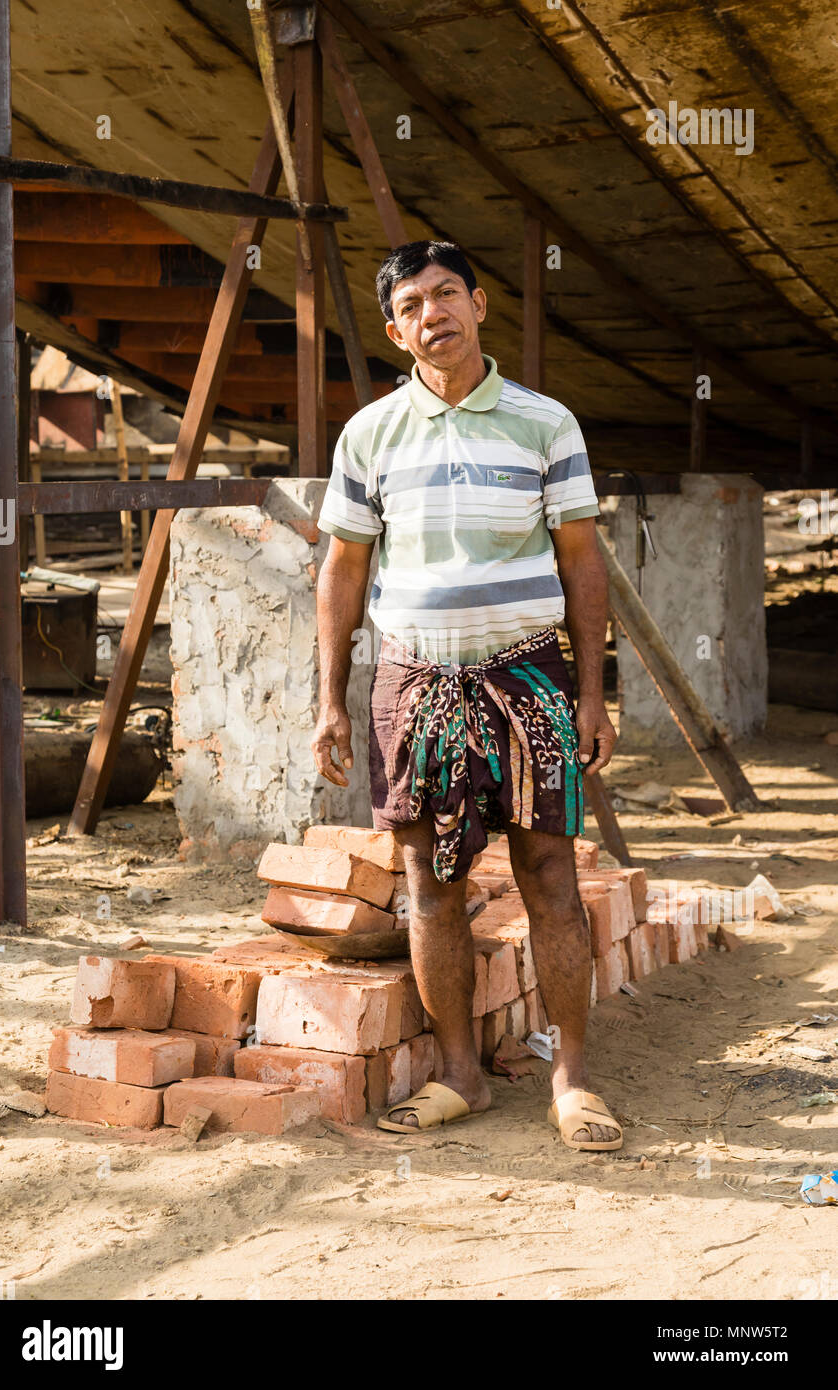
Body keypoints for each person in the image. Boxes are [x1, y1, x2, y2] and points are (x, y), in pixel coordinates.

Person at [312, 239, 621, 1150]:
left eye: (446, 295)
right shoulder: (371, 433)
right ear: (394, 326)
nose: (430, 315)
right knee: (432, 883)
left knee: (551, 877)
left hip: (529, 673)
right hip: (413, 679)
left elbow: (580, 560)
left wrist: (593, 693)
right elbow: (343, 567)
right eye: (410, 305)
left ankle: (572, 1079)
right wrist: (332, 697)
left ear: (481, 305)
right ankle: (459, 1075)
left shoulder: (544, 423)